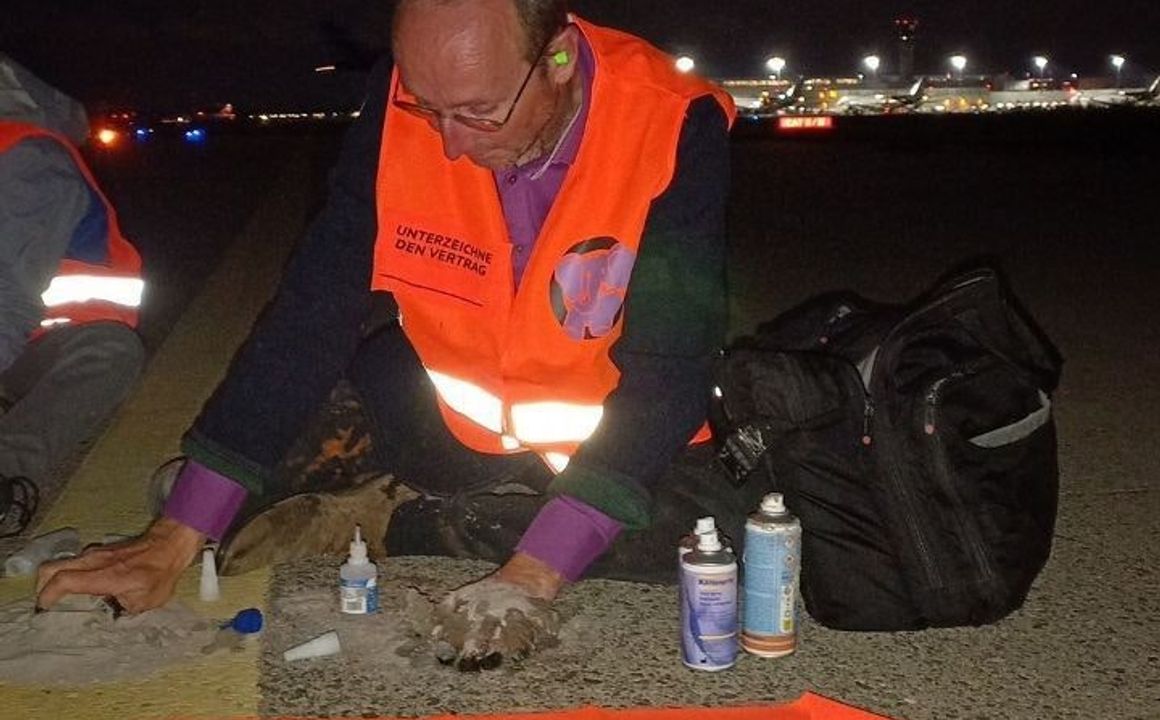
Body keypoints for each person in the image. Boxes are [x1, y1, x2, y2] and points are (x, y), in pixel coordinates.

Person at [37, 0, 767, 668]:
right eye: (430, 109)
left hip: (617, 444)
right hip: (446, 422)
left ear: (560, 58)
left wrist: (532, 574)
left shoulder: (669, 124)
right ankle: (387, 505)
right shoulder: (403, 108)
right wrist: (175, 534)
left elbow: (670, 371)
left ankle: (403, 519)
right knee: (230, 465)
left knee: (693, 548)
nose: (448, 146)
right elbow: (310, 315)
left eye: (479, 112)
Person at [0, 54, 145, 536]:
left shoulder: (25, 162)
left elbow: (9, 304)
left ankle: (8, 474)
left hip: (45, 343)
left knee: (109, 353)